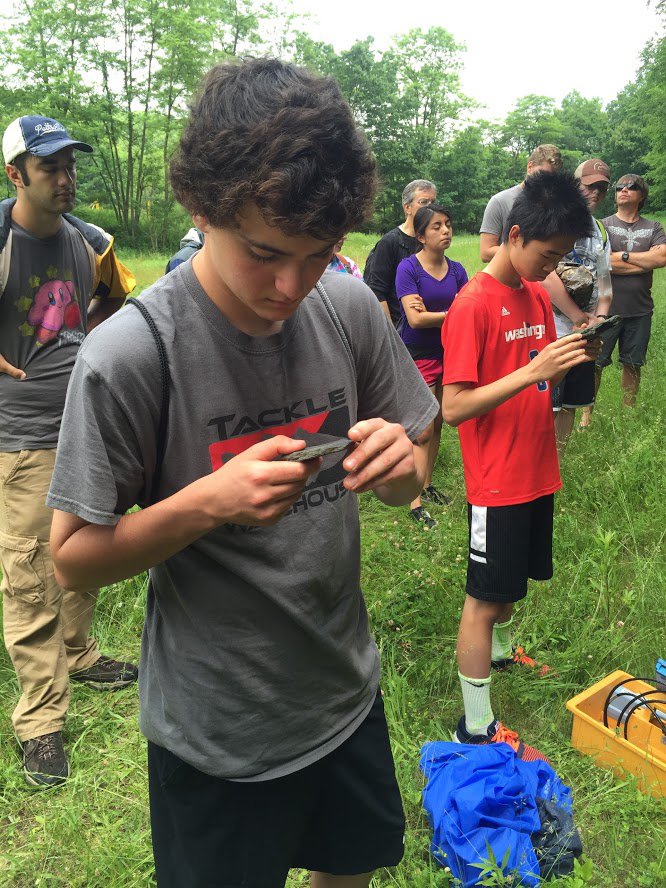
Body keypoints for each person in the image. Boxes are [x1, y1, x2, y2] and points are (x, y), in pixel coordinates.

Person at [47, 59, 439, 887]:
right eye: (264, 252)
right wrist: (205, 504)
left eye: (319, 252)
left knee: (353, 868)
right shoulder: (132, 354)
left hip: (342, 692)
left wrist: (405, 470)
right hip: (218, 732)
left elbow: (416, 456)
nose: (291, 285)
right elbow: (73, 554)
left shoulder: (344, 307)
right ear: (201, 207)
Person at [0, 115, 137, 788]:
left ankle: (80, 654)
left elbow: (117, 302)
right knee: (30, 575)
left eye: (69, 165)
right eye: (49, 166)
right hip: (20, 438)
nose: (64, 177)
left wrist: (93, 356)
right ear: (15, 174)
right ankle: (41, 722)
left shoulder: (93, 243)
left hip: (89, 425)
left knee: (86, 545)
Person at [441, 171, 598, 754]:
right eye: (547, 255)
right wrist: (532, 372)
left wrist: (570, 353)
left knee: (512, 587)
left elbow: (539, 364)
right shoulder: (472, 305)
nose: (551, 268)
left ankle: (503, 654)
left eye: (560, 257)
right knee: (483, 598)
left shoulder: (535, 292)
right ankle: (476, 724)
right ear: (513, 234)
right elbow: (453, 408)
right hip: (496, 479)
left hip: (536, 467)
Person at [395, 204, 468, 528]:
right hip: (419, 355)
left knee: (438, 424)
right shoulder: (408, 269)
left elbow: (468, 314)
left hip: (449, 353)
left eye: (448, 224)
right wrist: (450, 314)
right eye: (437, 226)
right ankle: (414, 501)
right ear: (421, 235)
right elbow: (415, 319)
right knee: (422, 430)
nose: (446, 231)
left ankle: (425, 484)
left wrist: (435, 317)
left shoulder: (458, 271)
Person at [541, 158, 613, 449]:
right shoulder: (553, 219)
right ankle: (540, 460)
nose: (596, 193)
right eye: (590, 186)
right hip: (552, 328)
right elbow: (543, 274)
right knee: (548, 402)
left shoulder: (600, 231)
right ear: (574, 185)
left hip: (584, 331)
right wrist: (576, 315)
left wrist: (600, 317)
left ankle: (559, 459)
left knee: (571, 401)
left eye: (603, 188)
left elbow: (606, 280)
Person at [591, 174, 666, 410]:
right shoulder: (601, 225)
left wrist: (619, 257)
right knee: (595, 363)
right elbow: (601, 263)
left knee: (633, 364)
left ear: (641, 195)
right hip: (605, 309)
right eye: (619, 187)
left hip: (640, 309)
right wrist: (643, 262)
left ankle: (628, 412)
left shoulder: (653, 226)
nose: (624, 189)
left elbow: (661, 257)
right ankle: (586, 415)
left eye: (631, 187)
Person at [363, 178, 437, 326]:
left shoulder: (431, 240)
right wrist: (392, 336)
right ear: (407, 208)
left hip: (428, 326)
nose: (430, 208)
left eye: (433, 202)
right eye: (423, 202)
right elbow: (377, 292)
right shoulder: (389, 242)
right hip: (400, 329)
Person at [479, 145, 563, 263]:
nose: (546, 182)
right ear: (530, 167)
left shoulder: (553, 205)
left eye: (551, 179)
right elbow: (485, 252)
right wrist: (527, 252)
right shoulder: (499, 201)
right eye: (543, 174)